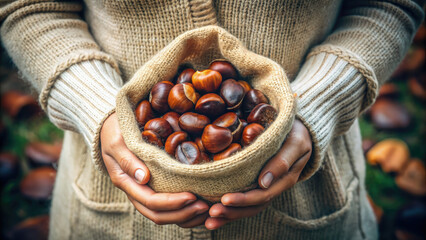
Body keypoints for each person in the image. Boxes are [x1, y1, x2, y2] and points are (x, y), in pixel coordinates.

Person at [0, 0, 423, 239]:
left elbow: (390, 5)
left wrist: (321, 101)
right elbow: (29, 7)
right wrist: (98, 106)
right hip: (107, 215)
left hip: (309, 207)